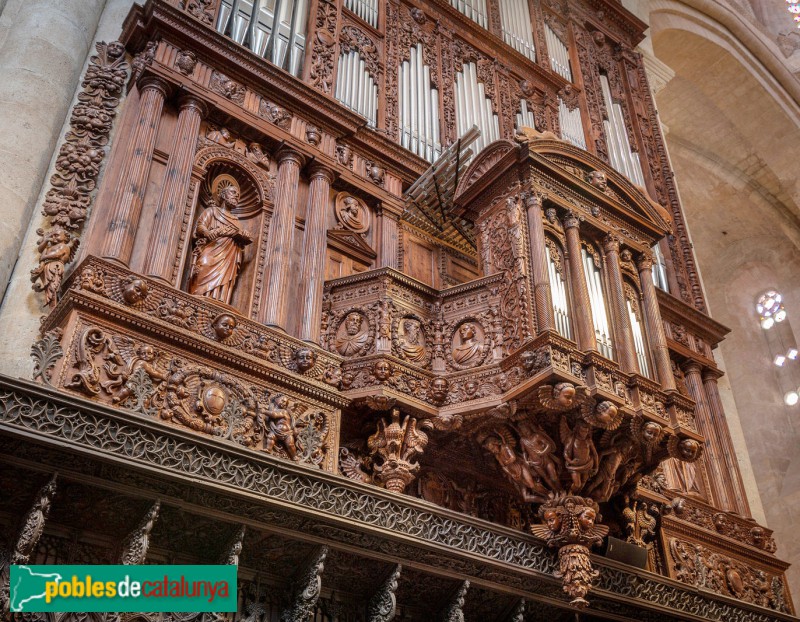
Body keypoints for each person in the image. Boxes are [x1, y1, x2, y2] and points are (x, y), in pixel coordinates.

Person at [189, 182, 252, 305]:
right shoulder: (212, 211)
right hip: (211, 249)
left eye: (238, 195)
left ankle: (218, 302)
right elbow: (201, 226)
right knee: (203, 267)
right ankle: (197, 298)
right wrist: (207, 232)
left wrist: (243, 235)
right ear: (223, 195)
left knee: (224, 279)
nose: (236, 196)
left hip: (228, 257)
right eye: (233, 192)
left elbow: (240, 239)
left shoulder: (236, 221)